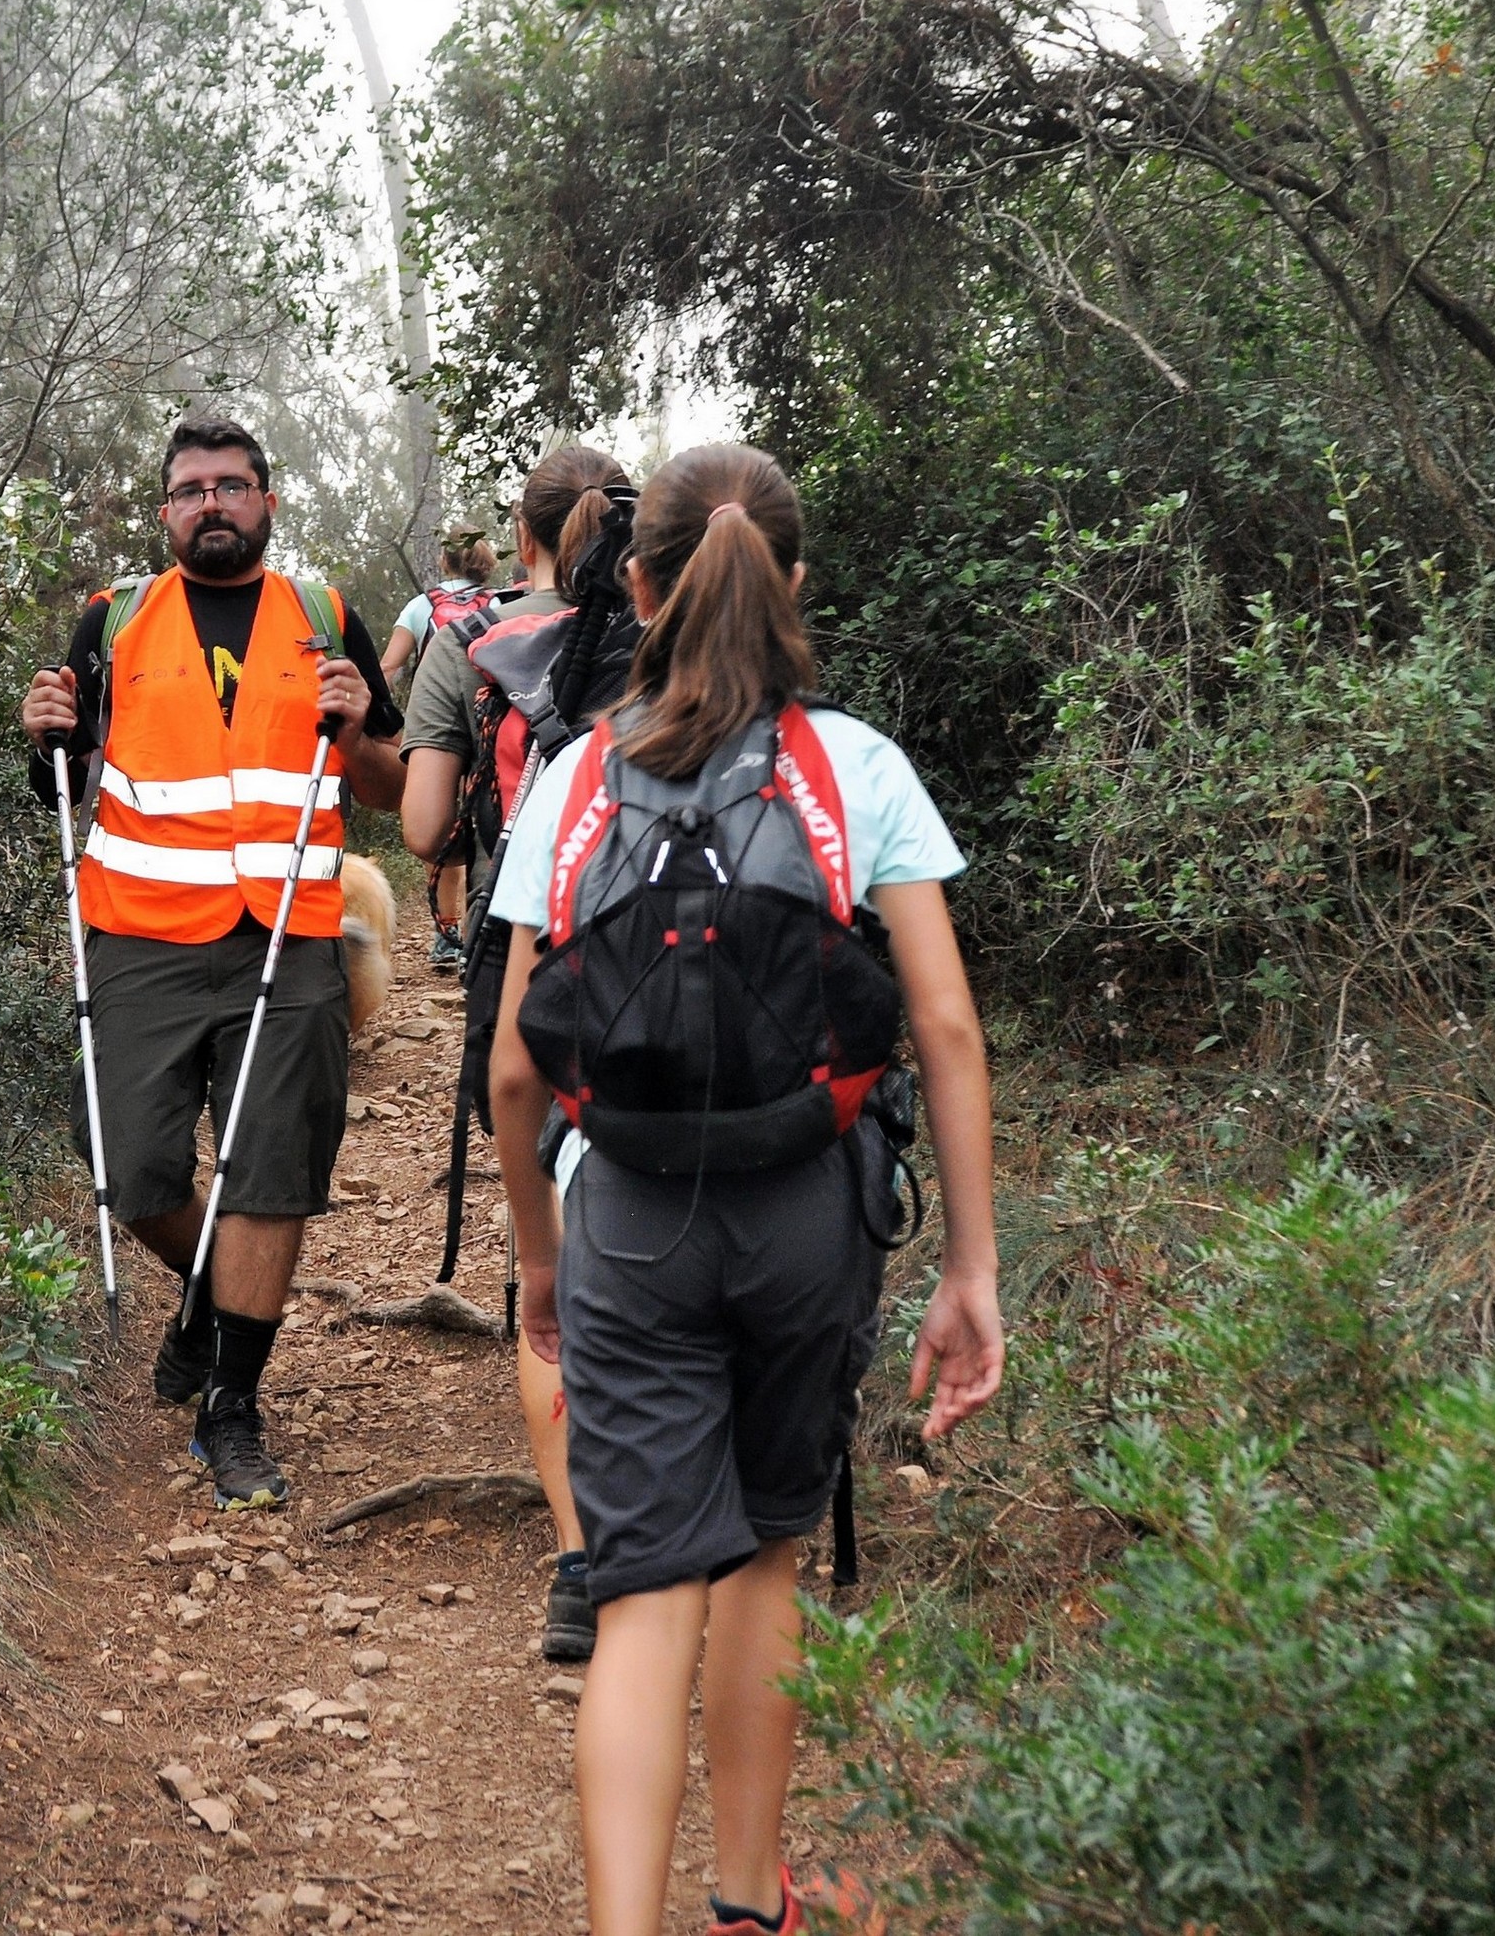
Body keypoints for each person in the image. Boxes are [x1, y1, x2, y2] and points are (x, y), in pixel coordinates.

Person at [482, 444, 1003, 1936]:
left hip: (629, 1215)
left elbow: (516, 1067)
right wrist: (971, 1270)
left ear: (637, 586)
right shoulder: (856, 767)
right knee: (764, 1557)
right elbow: (946, 1028)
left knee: (645, 1593)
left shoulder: (580, 774)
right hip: (805, 1211)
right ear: (797, 584)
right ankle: (745, 1908)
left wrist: (539, 1258)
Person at [20, 415, 408, 1511]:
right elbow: (60, 780)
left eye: (231, 486)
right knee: (125, 1160)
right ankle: (205, 1295)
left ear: (266, 503)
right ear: (167, 513)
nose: (212, 505)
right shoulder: (114, 620)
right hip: (139, 933)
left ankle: (231, 1406)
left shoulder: (323, 616)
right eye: (191, 490)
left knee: (270, 1170)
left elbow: (387, 790)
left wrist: (357, 726)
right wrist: (43, 729)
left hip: (288, 934)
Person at [395, 442, 630, 1664]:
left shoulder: (471, 640)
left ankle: (583, 1557)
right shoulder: (670, 626)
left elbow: (423, 825)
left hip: (525, 953)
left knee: (549, 1260)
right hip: (672, 958)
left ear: (522, 537)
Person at [382, 531, 505, 975]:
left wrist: (386, 721)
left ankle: (446, 932)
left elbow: (390, 665)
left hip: (439, 724)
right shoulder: (499, 602)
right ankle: (486, 921)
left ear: (444, 560)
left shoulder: (422, 605)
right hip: (492, 719)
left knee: (442, 822)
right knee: (489, 816)